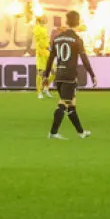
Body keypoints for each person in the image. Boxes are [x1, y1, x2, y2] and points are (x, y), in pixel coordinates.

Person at [44, 9, 94, 139]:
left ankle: (81, 133)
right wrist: (92, 75)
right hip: (69, 76)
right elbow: (84, 59)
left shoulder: (57, 38)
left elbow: (50, 58)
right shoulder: (77, 39)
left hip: (59, 75)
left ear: (66, 21)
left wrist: (45, 76)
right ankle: (53, 132)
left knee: (71, 104)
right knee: (63, 103)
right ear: (78, 22)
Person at [30, 7, 52, 100]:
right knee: (40, 72)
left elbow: (46, 40)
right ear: (40, 19)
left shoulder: (44, 28)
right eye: (43, 17)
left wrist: (49, 47)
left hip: (47, 52)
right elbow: (39, 40)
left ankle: (45, 88)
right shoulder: (37, 28)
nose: (45, 18)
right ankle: (39, 92)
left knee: (54, 71)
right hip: (40, 53)